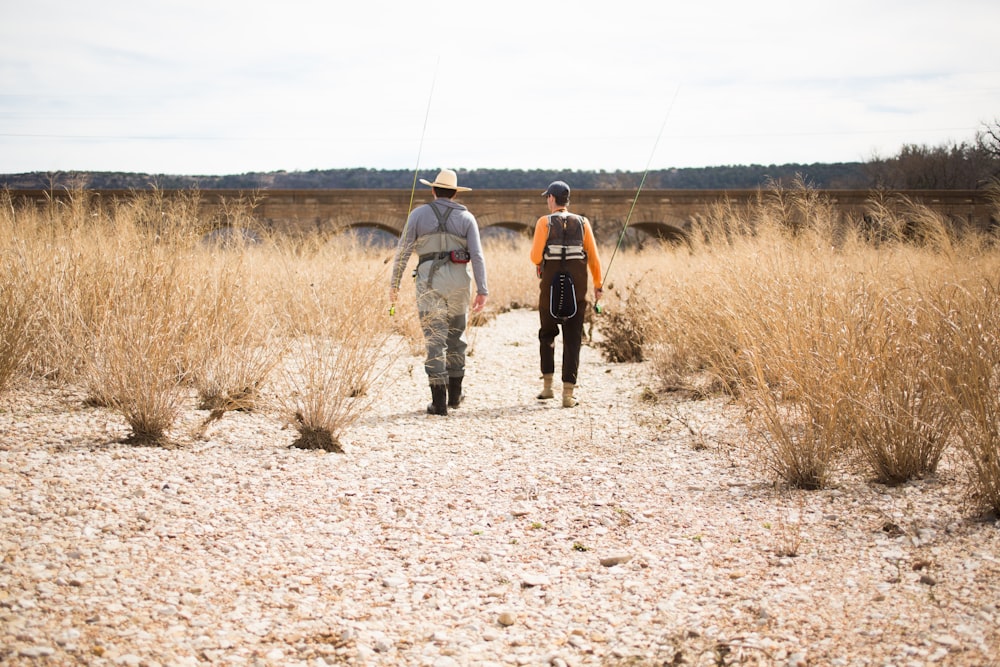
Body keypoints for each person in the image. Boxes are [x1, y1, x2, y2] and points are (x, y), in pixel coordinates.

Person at [390, 169, 489, 415]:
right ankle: (455, 396)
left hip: (429, 283)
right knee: (457, 338)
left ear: (433, 190)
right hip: (460, 283)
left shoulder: (418, 215)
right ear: (455, 193)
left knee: (435, 339)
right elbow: (477, 255)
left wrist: (395, 284)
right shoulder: (467, 219)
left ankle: (439, 402)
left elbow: (403, 250)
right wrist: (482, 290)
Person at [530, 180, 603, 408]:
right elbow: (593, 257)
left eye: (547, 198)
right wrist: (598, 285)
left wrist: (542, 258)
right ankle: (568, 395)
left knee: (547, 334)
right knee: (572, 339)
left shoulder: (544, 223)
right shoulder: (583, 223)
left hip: (549, 291)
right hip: (577, 290)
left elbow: (534, 257)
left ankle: (547, 388)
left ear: (551, 198)